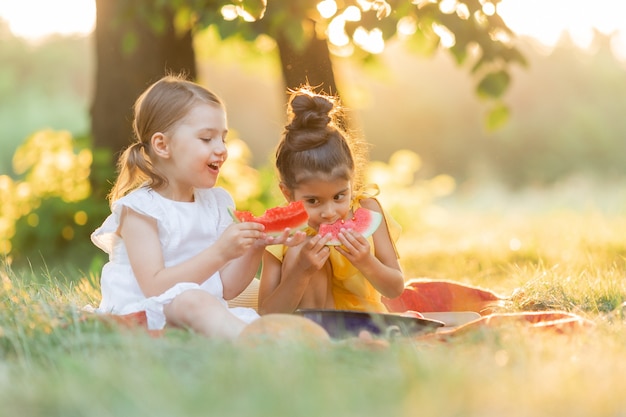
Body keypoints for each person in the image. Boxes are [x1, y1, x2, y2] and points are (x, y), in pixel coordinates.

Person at [91, 74, 305, 339]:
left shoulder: (217, 202)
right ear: (162, 145)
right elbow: (155, 287)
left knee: (219, 303)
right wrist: (220, 252)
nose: (221, 150)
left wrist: (255, 248)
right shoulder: (140, 209)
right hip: (146, 314)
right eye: (207, 139)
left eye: (223, 139)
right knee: (195, 301)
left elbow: (226, 289)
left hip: (201, 310)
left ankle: (307, 344)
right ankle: (262, 345)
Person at [258, 87, 405, 315]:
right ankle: (322, 341)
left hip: (366, 321)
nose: (329, 213)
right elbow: (266, 314)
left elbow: (395, 288)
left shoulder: (367, 209)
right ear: (288, 194)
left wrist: (366, 261)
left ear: (351, 181)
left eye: (339, 197)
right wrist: (301, 272)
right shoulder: (283, 235)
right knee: (299, 251)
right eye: (314, 201)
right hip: (312, 331)